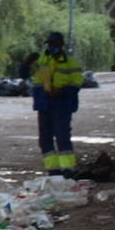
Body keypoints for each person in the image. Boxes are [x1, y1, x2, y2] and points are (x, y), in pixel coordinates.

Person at [32, 31, 84, 176]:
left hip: (62, 104)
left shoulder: (71, 63)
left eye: (55, 44)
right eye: (50, 44)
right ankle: (53, 169)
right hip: (44, 103)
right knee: (45, 138)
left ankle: (68, 169)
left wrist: (61, 92)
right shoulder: (42, 61)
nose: (52, 47)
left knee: (62, 136)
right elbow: (33, 79)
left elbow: (77, 82)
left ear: (61, 45)